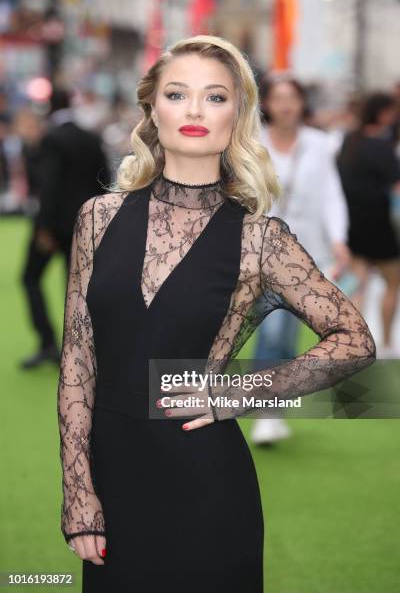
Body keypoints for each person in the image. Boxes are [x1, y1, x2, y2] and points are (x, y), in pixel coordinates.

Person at [57, 36, 376, 592]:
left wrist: (238, 394)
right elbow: (78, 363)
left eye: (216, 96)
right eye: (178, 94)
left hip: (207, 479)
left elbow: (355, 339)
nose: (196, 110)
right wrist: (78, 493)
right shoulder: (97, 219)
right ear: (153, 109)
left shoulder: (260, 240)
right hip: (113, 481)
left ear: (238, 114)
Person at [250, 74, 350, 444]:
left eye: (293, 97)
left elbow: (331, 195)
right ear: (268, 104)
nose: (286, 105)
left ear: (302, 102)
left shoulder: (320, 145)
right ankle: (266, 409)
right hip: (261, 249)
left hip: (307, 251)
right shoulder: (252, 143)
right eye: (279, 98)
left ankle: (271, 405)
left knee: (286, 329)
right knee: (273, 326)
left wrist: (339, 239)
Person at [19, 88, 110, 369]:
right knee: (77, 289)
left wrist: (43, 228)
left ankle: (47, 343)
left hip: (53, 226)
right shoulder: (92, 138)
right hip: (87, 225)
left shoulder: (51, 139)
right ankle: (81, 351)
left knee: (30, 278)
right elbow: (105, 182)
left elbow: (49, 186)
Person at [337, 92, 400, 358]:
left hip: (353, 222)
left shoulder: (349, 141)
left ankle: (356, 342)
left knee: (358, 284)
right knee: (392, 282)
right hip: (380, 223)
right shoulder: (381, 146)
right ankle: (385, 340)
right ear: (382, 113)